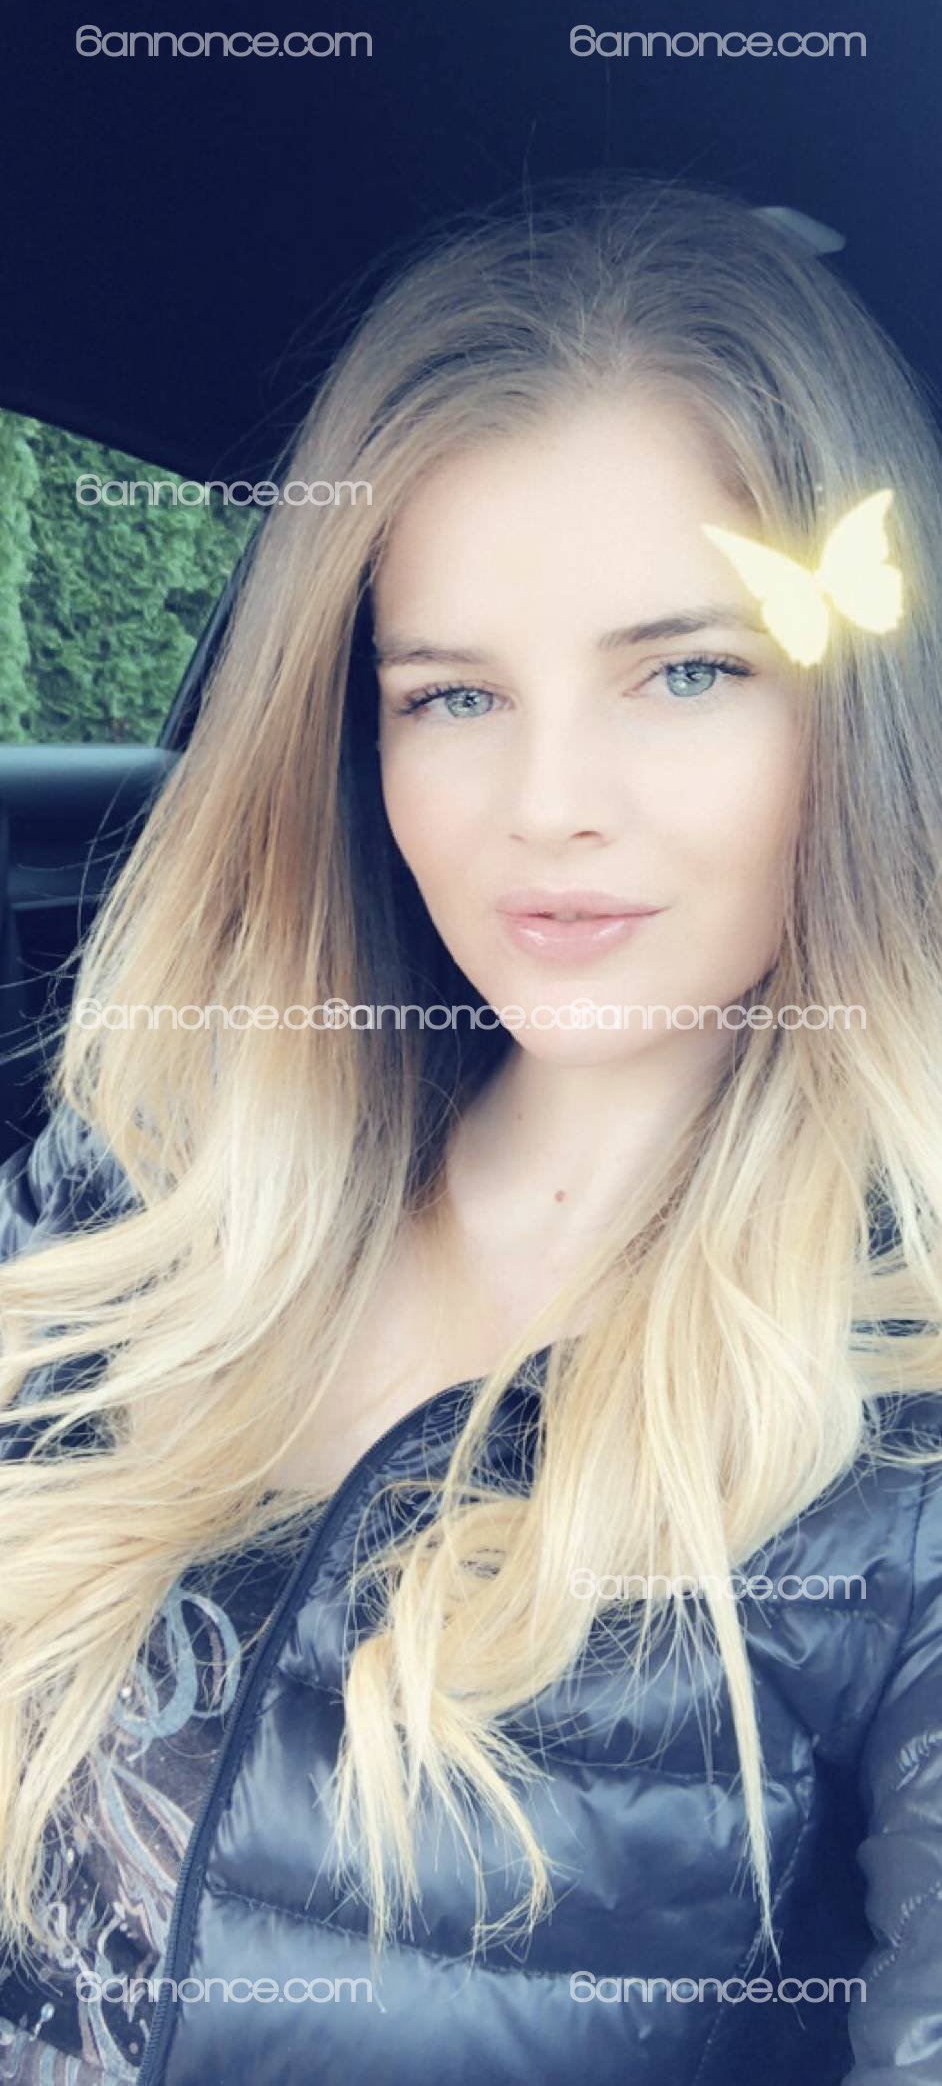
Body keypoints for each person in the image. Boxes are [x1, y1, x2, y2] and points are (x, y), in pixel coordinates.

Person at [0, 171, 941, 2085]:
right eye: (451, 696)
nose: (544, 803)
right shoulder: (150, 1181)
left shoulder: (898, 1405)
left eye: (687, 672)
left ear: (856, 717)